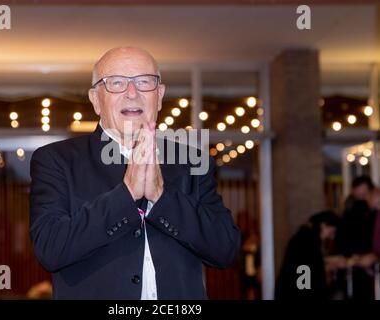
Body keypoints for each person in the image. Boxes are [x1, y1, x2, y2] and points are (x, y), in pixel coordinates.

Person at [29, 47, 241, 299]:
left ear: (159, 96)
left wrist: (162, 198)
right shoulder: (56, 160)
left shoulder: (191, 162)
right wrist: (126, 194)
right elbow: (51, 250)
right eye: (116, 83)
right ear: (96, 99)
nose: (132, 93)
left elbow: (225, 249)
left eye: (144, 82)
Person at [275, 210, 344, 300]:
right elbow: (303, 274)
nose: (331, 237)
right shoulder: (307, 241)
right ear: (323, 225)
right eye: (332, 232)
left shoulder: (306, 238)